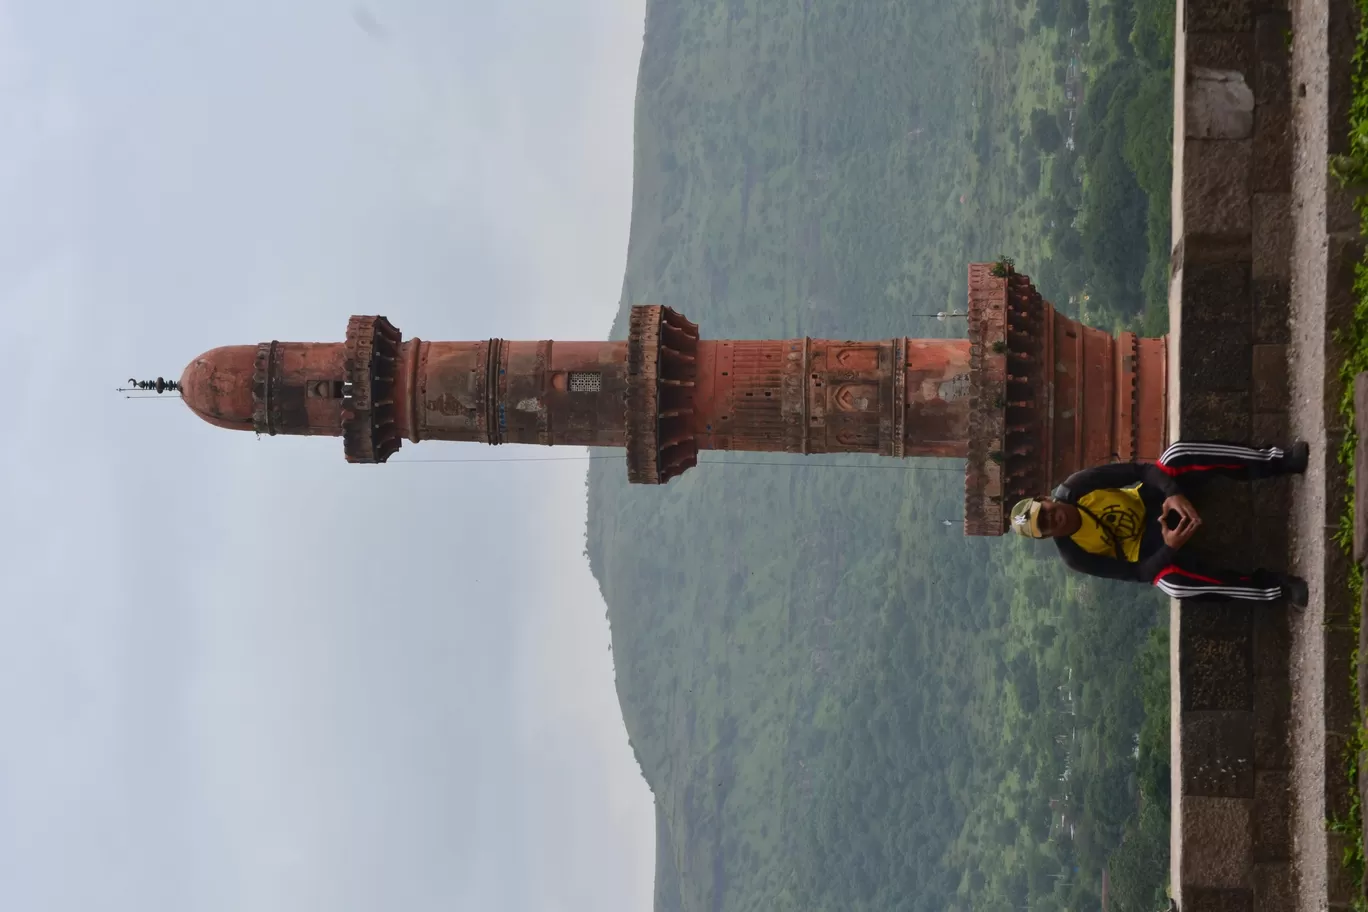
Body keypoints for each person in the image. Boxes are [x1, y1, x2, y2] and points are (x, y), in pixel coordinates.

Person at [1009, 440, 1310, 606]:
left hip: (1149, 499)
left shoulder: (1077, 487)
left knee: (1174, 455)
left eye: (1045, 512)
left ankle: (1278, 460)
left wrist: (1172, 492)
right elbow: (1138, 574)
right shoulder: (1074, 555)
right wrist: (1169, 548)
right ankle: (1275, 589)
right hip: (1148, 546)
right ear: (1046, 536)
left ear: (1044, 498)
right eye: (1044, 526)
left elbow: (1140, 470)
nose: (1051, 519)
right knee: (1173, 585)